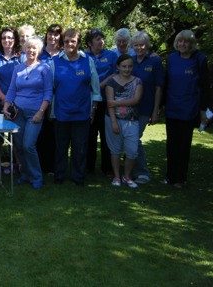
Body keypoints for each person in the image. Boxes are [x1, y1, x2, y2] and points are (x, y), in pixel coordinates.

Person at [50, 29, 101, 186]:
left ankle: (78, 177)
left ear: (78, 43)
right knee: (60, 148)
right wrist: (51, 112)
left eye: (72, 41)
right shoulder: (55, 61)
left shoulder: (88, 61)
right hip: (61, 113)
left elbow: (96, 89)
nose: (69, 44)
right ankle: (59, 176)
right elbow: (50, 89)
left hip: (82, 113)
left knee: (79, 148)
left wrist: (93, 110)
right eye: (66, 41)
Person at [3, 37, 52, 189]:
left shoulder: (44, 68)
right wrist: (6, 106)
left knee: (28, 145)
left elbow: (48, 93)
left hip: (35, 113)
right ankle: (25, 174)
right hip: (18, 112)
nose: (31, 51)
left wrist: (41, 112)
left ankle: (37, 177)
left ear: (39, 51)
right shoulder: (18, 68)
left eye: (34, 48)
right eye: (29, 48)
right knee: (18, 145)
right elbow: (12, 89)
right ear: (25, 49)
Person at [164, 30, 210, 189]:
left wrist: (203, 110)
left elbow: (205, 87)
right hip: (172, 107)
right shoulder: (172, 58)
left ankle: (180, 178)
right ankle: (170, 176)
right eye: (180, 41)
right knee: (171, 144)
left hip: (189, 109)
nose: (183, 44)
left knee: (183, 145)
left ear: (192, 44)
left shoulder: (200, 59)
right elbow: (166, 82)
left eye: (186, 42)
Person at [130, 31, 164, 184]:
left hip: (145, 107)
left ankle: (143, 173)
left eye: (142, 45)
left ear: (147, 45)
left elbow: (158, 87)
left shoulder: (155, 62)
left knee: (134, 139)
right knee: (130, 139)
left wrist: (155, 110)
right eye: (136, 45)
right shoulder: (130, 61)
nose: (139, 48)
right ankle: (131, 170)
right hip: (129, 107)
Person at [0, 27, 22, 176]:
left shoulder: (21, 57)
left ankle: (19, 164)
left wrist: (13, 101)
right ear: (0, 40)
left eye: (10, 37)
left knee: (16, 135)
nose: (7, 41)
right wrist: (4, 99)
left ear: (15, 39)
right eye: (4, 38)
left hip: (18, 102)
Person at [105, 54, 143, 188]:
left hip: (131, 120)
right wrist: (114, 122)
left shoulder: (137, 81)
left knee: (132, 150)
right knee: (115, 150)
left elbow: (136, 100)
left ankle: (127, 176)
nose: (127, 69)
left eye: (130, 66)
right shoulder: (111, 82)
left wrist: (116, 102)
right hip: (113, 119)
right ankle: (116, 176)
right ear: (118, 67)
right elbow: (109, 105)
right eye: (124, 66)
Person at [85, 28, 116, 176]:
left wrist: (101, 84)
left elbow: (116, 73)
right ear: (90, 43)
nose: (101, 41)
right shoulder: (84, 56)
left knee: (106, 135)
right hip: (89, 102)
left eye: (102, 38)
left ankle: (107, 167)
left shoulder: (111, 55)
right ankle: (88, 166)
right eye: (97, 39)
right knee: (90, 135)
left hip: (106, 101)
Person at [36, 24, 64, 175]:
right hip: (40, 98)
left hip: (58, 99)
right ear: (46, 35)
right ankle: (40, 165)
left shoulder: (63, 54)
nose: (53, 37)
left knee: (55, 133)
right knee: (41, 132)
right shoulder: (40, 53)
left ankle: (52, 167)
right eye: (50, 33)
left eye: (56, 34)